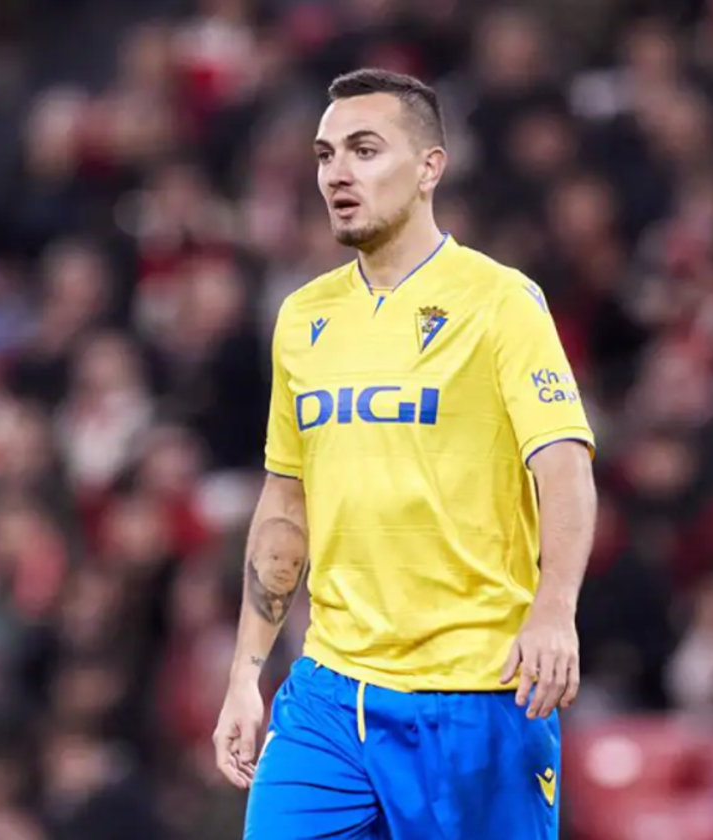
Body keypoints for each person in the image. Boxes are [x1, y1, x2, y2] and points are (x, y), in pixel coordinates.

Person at [212, 68, 598, 840]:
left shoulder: (500, 302)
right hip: (331, 692)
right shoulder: (303, 317)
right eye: (325, 156)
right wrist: (245, 673)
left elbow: (563, 465)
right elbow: (286, 500)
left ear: (430, 168)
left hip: (476, 692)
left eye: (363, 149)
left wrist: (554, 610)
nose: (337, 174)